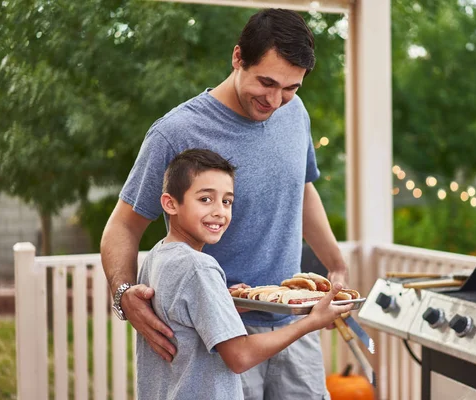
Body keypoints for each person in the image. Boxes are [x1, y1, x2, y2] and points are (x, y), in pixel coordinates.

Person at [101, 8, 349, 399]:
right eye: (266, 82)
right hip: (218, 333)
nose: (275, 100)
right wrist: (123, 294)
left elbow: (300, 190)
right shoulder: (176, 132)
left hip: (295, 320)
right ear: (238, 58)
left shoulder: (294, 114)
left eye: (290, 87)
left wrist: (336, 263)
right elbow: (123, 226)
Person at [136, 148, 352, 400]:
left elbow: (185, 321)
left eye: (227, 201)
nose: (219, 211)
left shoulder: (157, 257)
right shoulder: (200, 267)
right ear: (170, 204)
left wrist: (225, 305)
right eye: (205, 199)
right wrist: (311, 322)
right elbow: (240, 356)